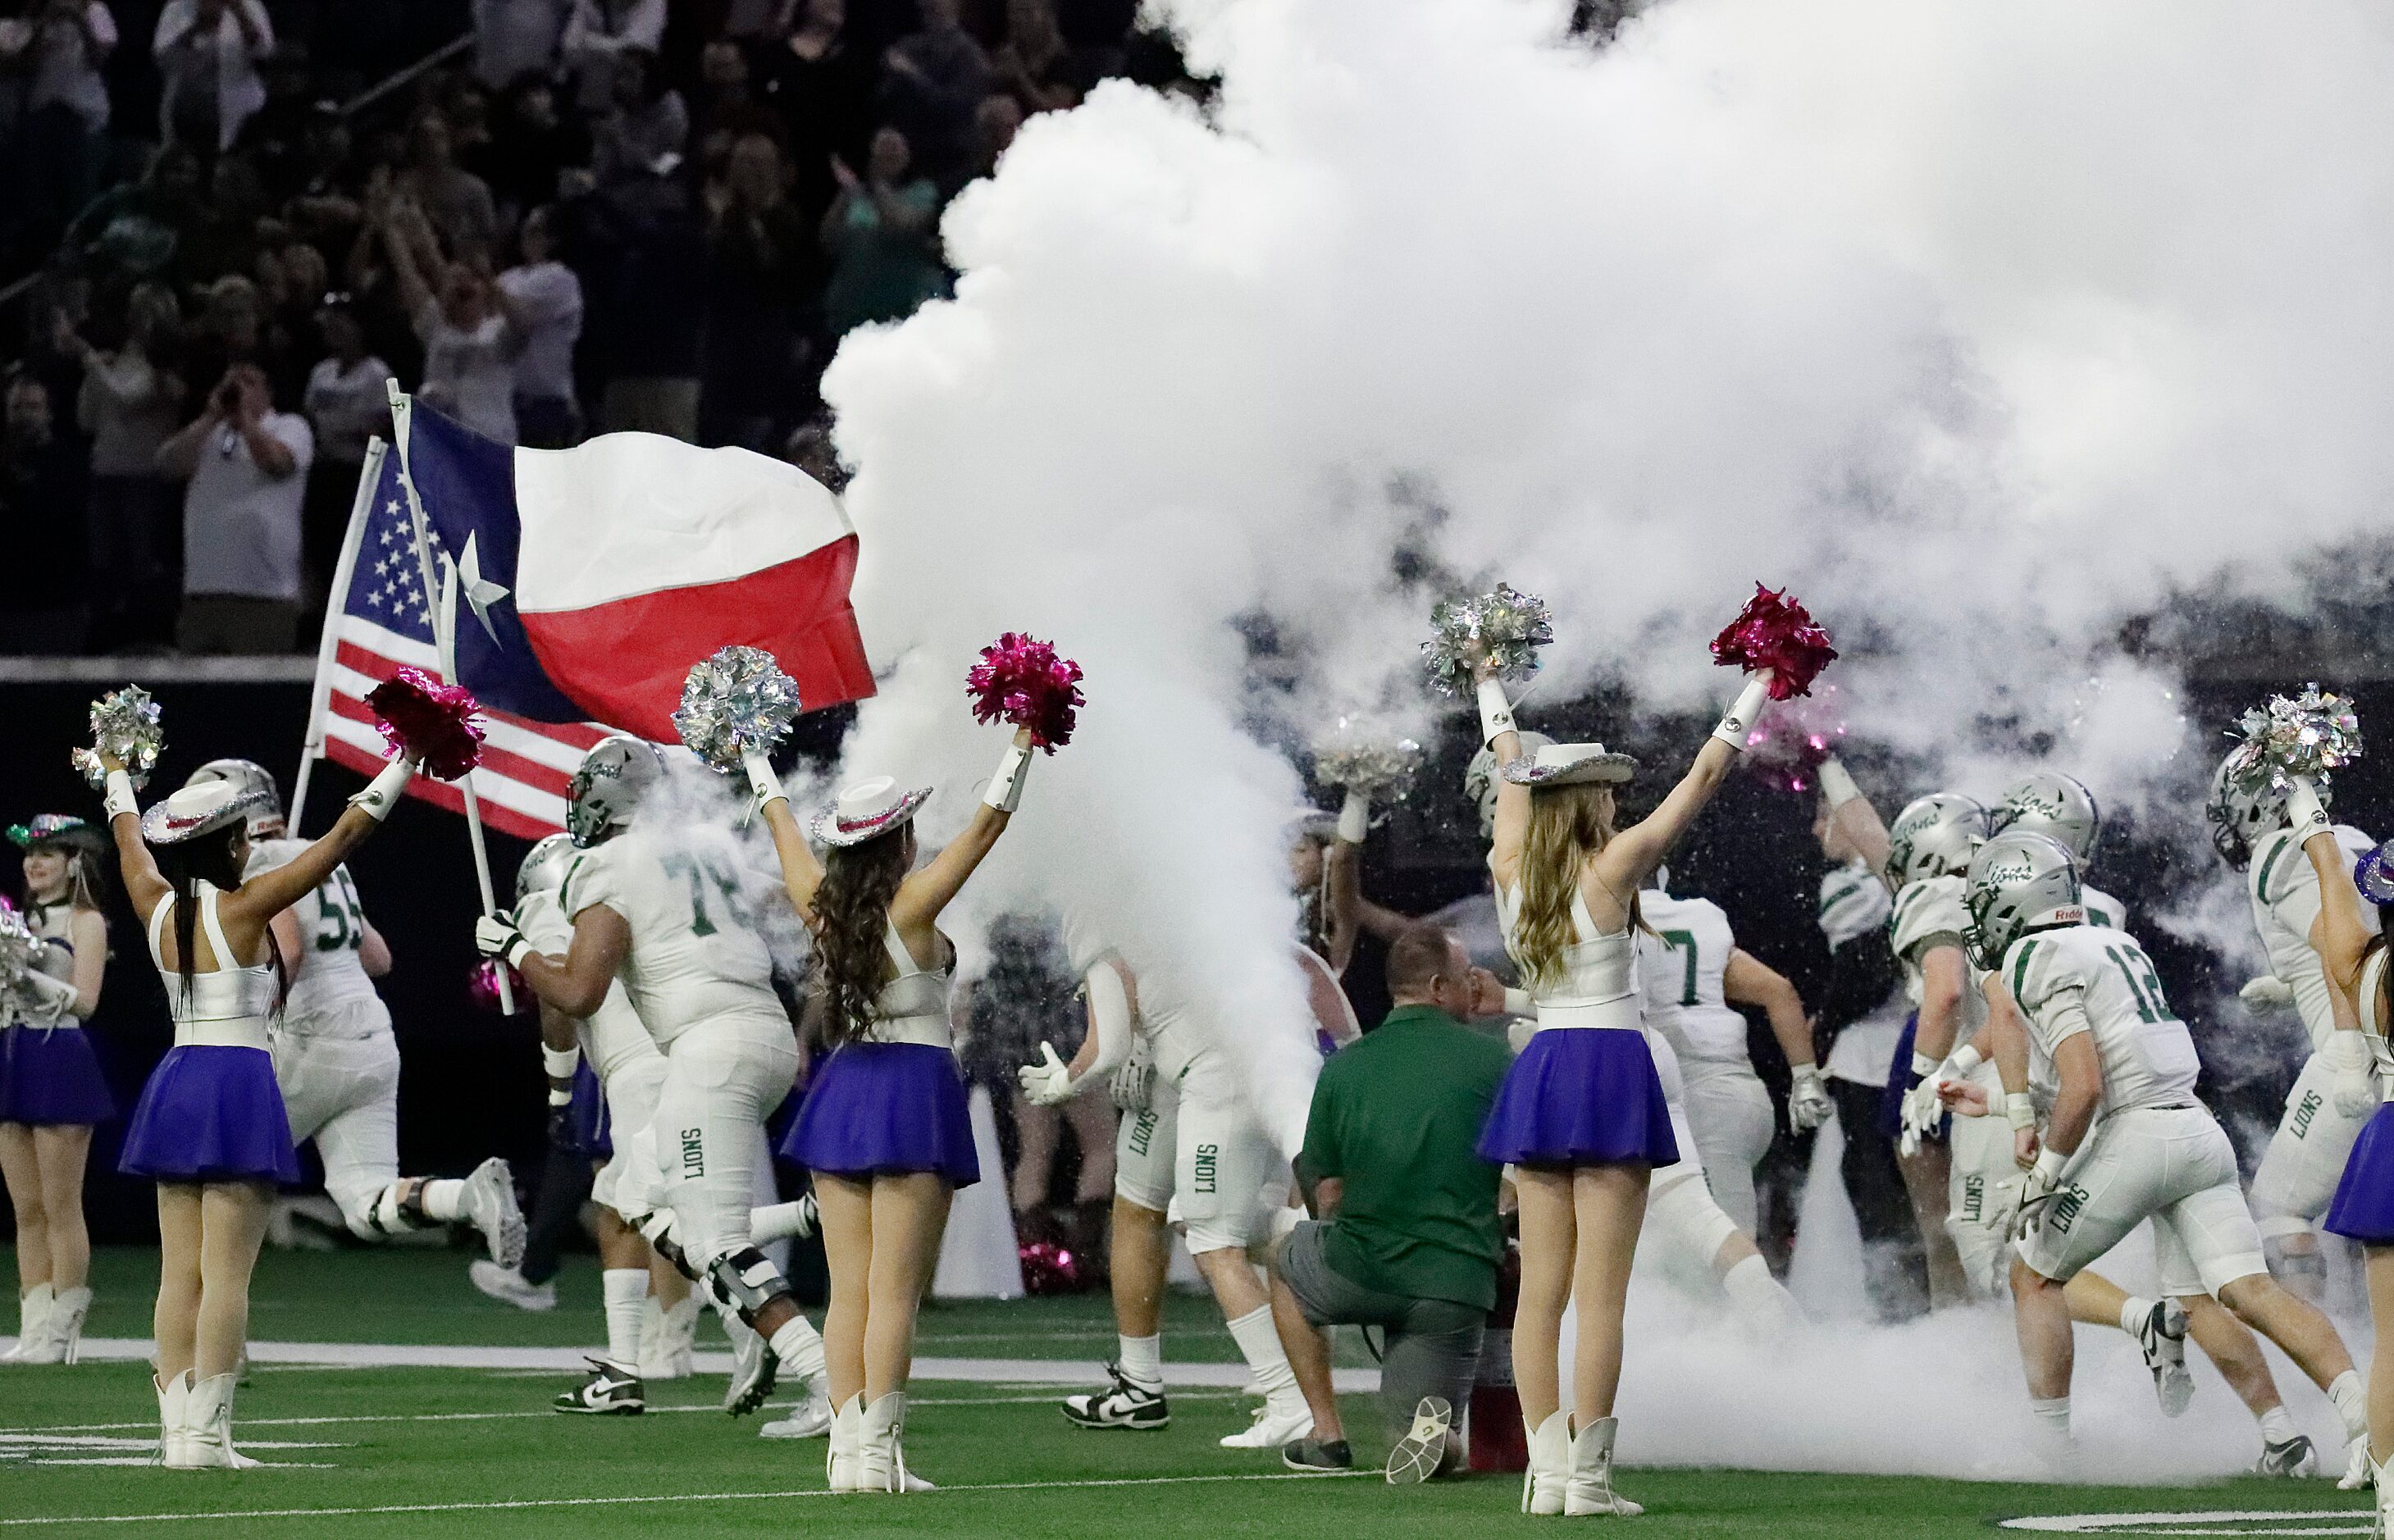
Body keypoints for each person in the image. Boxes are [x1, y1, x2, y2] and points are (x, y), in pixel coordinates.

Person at [1473, 646, 1784, 1517]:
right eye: (1606, 790)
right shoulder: (1613, 870)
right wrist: (1761, 682)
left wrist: (1486, 681)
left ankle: (1546, 1475)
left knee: (1540, 1296)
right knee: (1600, 1302)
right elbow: (1708, 773)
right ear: (1587, 803)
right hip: (1610, 1063)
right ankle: (1590, 1481)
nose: (1618, 799)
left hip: (1544, 1066)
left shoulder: (1509, 865)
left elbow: (1506, 765)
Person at [1968, 827, 2371, 1476]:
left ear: (2009, 901)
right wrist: (1991, 1102)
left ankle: (2051, 1449)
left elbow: (2086, 1083)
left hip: (2138, 1138)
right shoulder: (2114, 941)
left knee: (2032, 1275)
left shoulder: (2032, 955)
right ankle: (2342, 1429)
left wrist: (2042, 1174)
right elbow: (2102, 1070)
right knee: (2240, 1292)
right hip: (2196, 1132)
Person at [479, 737, 832, 1428]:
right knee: (644, 1198)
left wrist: (513, 948)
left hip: (708, 1049)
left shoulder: (604, 864)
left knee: (710, 1244)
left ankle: (824, 1378)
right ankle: (795, 1241)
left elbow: (577, 993)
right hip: (761, 1029)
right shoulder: (705, 845)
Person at [103, 738, 416, 1465]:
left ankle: (177, 1435)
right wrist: (405, 760)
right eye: (242, 837)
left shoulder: (152, 901)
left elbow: (127, 832)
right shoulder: (248, 909)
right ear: (227, 844)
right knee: (227, 1276)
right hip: (238, 1081)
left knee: (177, 1273)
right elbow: (344, 836)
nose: (252, 847)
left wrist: (116, 773)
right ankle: (208, 1437)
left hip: (178, 1079)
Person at [753, 722, 1047, 1492]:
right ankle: (879, 1457)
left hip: (845, 1091)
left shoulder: (818, 902)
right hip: (912, 1088)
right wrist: (1022, 741)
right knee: (892, 1293)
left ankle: (847, 1459)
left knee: (848, 1290)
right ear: (900, 841)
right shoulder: (914, 901)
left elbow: (781, 824)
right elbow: (986, 827)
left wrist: (754, 759)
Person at [181, 762, 525, 1277]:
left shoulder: (259, 866)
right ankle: (466, 1197)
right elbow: (379, 957)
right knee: (367, 1206)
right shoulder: (321, 861)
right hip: (371, 1039)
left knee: (215, 1172)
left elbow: (290, 952)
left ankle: (212, 1326)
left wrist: (253, 1021)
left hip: (311, 1038)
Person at [1029, 917, 1319, 1456]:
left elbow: (1106, 1044)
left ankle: (1289, 1400)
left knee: (1213, 1238)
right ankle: (1139, 1384)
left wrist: (1065, 1080)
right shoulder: (1147, 880)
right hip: (1183, 1061)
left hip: (1215, 1072)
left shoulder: (1097, 906)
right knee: (1138, 1201)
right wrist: (1142, 1043)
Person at [1265, 923, 1513, 1482]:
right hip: (1454, 1281)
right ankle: (1437, 1439)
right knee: (1422, 1441)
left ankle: (1326, 1433)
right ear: (1436, 987)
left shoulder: (1344, 1067)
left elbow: (1321, 1182)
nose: (1475, 989)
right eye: (1465, 978)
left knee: (1281, 1257)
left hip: (1362, 1263)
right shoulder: (1495, 1061)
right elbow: (1526, 1171)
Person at [496, 832, 680, 1414]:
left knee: (679, 1218)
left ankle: (791, 1346)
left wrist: (557, 1086)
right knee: (622, 1204)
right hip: (683, 1047)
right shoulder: (637, 888)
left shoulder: (559, 902)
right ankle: (625, 1368)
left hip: (638, 1068)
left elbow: (561, 993)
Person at [2203, 751, 2383, 1300]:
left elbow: (2343, 945)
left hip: (2361, 1055)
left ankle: (2318, 1362)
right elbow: (2375, 944)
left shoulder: (2277, 852)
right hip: (2385, 1037)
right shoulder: (2348, 837)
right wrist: (2290, 988)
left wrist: (2350, 1055)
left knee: (2278, 1210)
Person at [2287, 766, 2394, 1524]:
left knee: (2392, 1345)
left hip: (2388, 1143)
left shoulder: (2360, 959)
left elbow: (2331, 882)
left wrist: (2308, 813)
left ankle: (2393, 1499)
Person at [1632, 870, 1820, 1235]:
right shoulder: (1701, 916)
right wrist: (1806, 1078)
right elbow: (1778, 990)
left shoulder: (1607, 923)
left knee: (1726, 1255)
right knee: (1704, 1247)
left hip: (1696, 1105)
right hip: (1739, 1095)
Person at [0, 816, 115, 1365]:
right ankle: (34, 1331)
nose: (35, 863)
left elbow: (87, 1001)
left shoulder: (87, 920)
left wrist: (25, 976)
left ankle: (63, 1335)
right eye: (29, 855)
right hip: (13, 1052)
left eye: (48, 853)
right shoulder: (15, 919)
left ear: (74, 861)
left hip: (61, 1055)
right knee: (25, 1207)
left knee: (60, 1202)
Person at [155, 362, 312, 654]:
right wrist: (210, 417)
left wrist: (246, 419)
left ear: (268, 391)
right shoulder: (208, 433)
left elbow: (276, 463)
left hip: (265, 595)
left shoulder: (290, 427)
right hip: (203, 592)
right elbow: (168, 466)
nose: (236, 388)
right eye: (230, 382)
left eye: (248, 382)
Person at [819, 126, 946, 339]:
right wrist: (846, 192)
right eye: (883, 147)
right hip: (854, 315)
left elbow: (902, 228)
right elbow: (828, 241)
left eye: (895, 147)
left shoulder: (923, 192)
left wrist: (878, 184)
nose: (889, 154)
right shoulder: (853, 198)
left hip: (906, 311)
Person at [0, 372, 90, 654]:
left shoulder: (68, 463)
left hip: (56, 607)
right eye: (17, 408)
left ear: (49, 413)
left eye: (33, 407)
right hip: (7, 604)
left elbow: (57, 516)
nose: (24, 415)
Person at [497, 207, 583, 448]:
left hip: (545, 401)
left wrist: (491, 287)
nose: (526, 237)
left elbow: (522, 322)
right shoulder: (509, 277)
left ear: (552, 238)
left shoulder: (561, 278)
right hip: (507, 397)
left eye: (535, 231)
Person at [152, 0, 273, 153]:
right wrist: (198, 26)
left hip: (239, 109)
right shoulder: (177, 7)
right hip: (187, 109)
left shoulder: (251, 6)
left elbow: (264, 52)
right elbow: (163, 59)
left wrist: (241, 15)